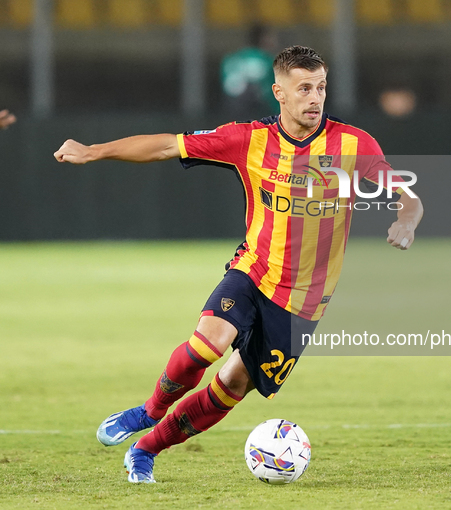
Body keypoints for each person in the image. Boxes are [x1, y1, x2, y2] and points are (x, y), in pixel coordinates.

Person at [54, 45, 424, 484]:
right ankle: (147, 412)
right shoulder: (248, 139)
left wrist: (407, 218)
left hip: (303, 303)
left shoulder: (353, 144)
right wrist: (93, 151)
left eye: (321, 87)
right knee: (205, 346)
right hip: (254, 271)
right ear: (279, 93)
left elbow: (406, 194)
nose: (315, 97)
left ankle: (146, 450)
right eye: (304, 88)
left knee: (229, 389)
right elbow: (165, 147)